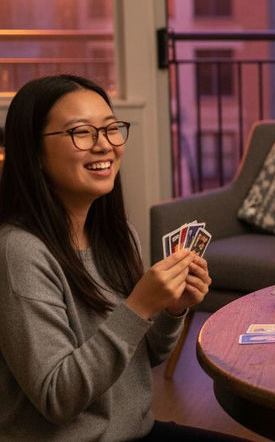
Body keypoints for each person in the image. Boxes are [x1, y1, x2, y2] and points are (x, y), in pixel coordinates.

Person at [0, 75, 236, 441]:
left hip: (136, 431)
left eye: (111, 129)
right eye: (82, 132)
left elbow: (140, 360)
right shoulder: (20, 252)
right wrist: (140, 306)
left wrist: (172, 309)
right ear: (34, 153)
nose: (104, 145)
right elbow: (57, 397)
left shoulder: (116, 233)